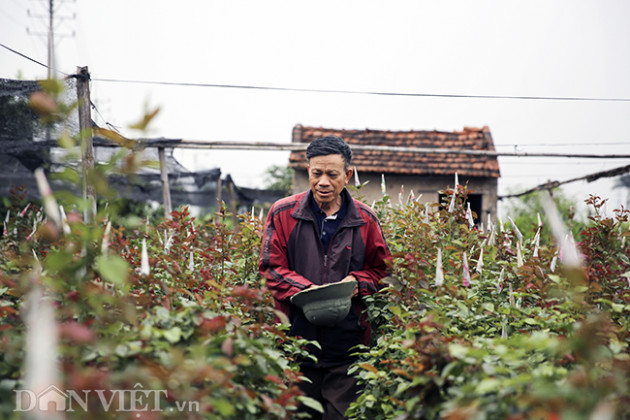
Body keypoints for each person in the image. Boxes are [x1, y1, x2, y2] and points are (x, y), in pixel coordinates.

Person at [259, 135, 391, 419]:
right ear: (308, 171)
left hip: (347, 349)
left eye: (332, 174)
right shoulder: (283, 213)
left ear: (348, 175)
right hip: (296, 343)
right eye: (316, 173)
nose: (323, 182)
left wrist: (357, 283)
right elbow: (271, 269)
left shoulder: (365, 220)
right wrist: (310, 293)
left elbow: (382, 271)